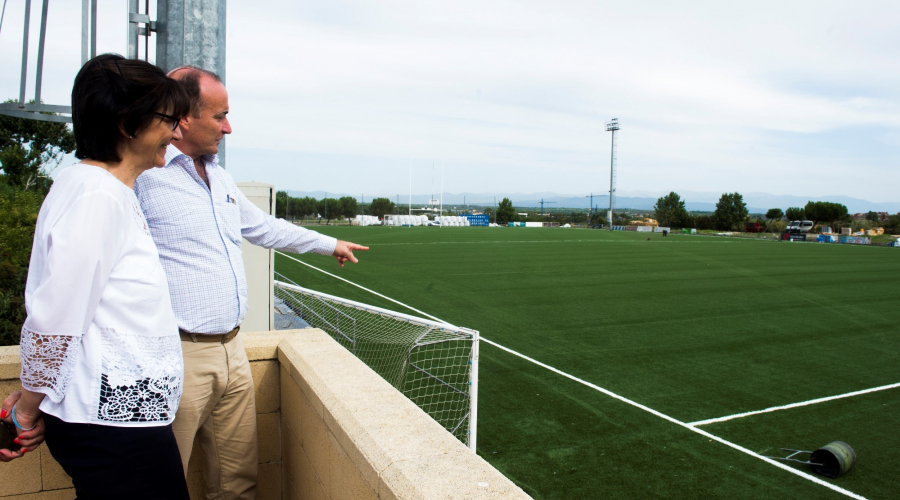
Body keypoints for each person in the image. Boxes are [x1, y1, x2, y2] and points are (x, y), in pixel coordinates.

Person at [134, 66, 368, 499]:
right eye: (219, 115)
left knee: (237, 482)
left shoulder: (219, 179)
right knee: (160, 484)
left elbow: (264, 228)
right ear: (183, 118)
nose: (228, 126)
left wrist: (328, 242)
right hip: (176, 356)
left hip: (233, 352)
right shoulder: (144, 178)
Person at [0, 54, 192, 499]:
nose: (176, 131)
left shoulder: (104, 190)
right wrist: (28, 409)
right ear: (127, 124)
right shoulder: (96, 195)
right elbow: (58, 314)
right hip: (114, 432)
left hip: (119, 421)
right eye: (168, 119)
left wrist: (40, 398)